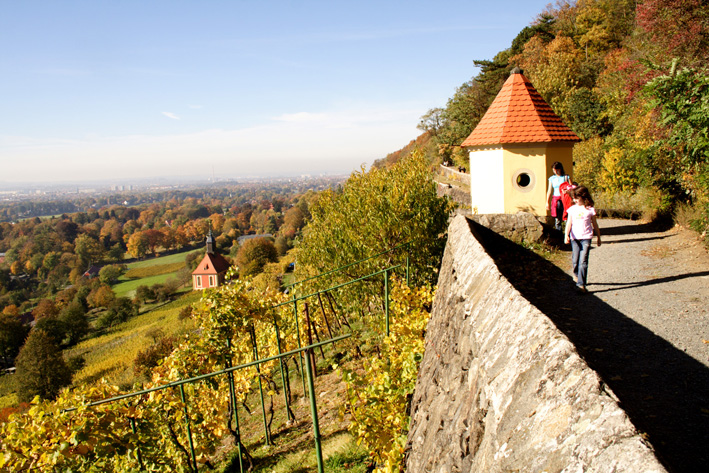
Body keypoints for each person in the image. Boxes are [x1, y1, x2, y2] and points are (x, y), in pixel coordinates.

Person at [564, 186, 601, 293]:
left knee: (583, 260)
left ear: (583, 197)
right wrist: (566, 235)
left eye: (577, 198)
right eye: (573, 198)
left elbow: (595, 224)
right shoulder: (572, 209)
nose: (575, 200)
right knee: (575, 260)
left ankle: (581, 284)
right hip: (574, 238)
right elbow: (568, 223)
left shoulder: (590, 210)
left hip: (586, 237)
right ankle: (576, 274)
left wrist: (598, 237)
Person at [546, 162, 570, 231]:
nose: (555, 171)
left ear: (560, 169)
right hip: (556, 199)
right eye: (554, 170)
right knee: (557, 218)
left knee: (566, 217)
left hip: (565, 199)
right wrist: (547, 202)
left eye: (557, 170)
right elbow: (549, 190)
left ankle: (568, 233)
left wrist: (567, 191)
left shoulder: (566, 177)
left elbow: (572, 188)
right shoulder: (552, 179)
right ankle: (558, 233)